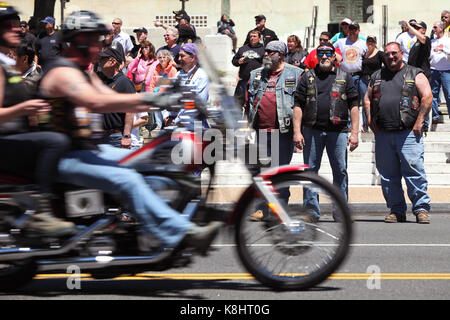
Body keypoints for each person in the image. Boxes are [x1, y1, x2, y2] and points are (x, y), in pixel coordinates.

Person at [38, 10, 222, 251]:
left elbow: (110, 96)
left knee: (146, 161)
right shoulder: (62, 72)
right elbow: (98, 102)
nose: (99, 48)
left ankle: (136, 230)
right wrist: (154, 100)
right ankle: (181, 232)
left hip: (89, 149)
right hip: (67, 157)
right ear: (79, 40)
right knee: (128, 180)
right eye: (94, 41)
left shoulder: (86, 72)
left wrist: (158, 100)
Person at [0, 3, 75, 236]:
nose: (16, 29)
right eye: (8, 25)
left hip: (15, 138)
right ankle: (42, 212)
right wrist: (24, 107)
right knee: (56, 141)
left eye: (16, 24)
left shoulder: (7, 64)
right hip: (5, 143)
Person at [363, 42, 433, 224]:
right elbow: (367, 99)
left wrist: (420, 122)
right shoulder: (378, 75)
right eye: (387, 54)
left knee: (414, 171)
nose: (391, 57)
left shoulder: (415, 73)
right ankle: (396, 210)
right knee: (387, 175)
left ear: (401, 53)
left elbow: (428, 96)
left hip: (408, 132)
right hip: (384, 133)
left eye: (394, 53)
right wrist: (370, 120)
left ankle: (421, 209)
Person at [293, 42, 359, 222]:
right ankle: (311, 211)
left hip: (337, 132)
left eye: (327, 53)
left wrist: (354, 133)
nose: (324, 57)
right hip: (312, 131)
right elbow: (298, 104)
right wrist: (297, 132)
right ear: (316, 56)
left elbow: (354, 105)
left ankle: (340, 212)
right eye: (320, 53)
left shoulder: (345, 76)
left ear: (334, 56)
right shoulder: (308, 77)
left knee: (340, 171)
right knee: (310, 171)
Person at [244, 40, 303, 221]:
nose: (266, 55)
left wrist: (297, 131)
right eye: (266, 52)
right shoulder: (255, 74)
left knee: (280, 173)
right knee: (260, 173)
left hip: (282, 133)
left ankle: (281, 208)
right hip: (259, 132)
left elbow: (301, 105)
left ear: (281, 55)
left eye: (270, 52)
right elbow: (248, 104)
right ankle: (262, 208)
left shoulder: (297, 74)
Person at [162, 43, 209, 128]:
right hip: (176, 125)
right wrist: (167, 116)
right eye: (179, 56)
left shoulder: (201, 76)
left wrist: (177, 119)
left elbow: (198, 104)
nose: (179, 59)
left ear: (192, 58)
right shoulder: (178, 75)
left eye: (182, 56)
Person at [98, 43, 135, 149]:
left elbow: (129, 111)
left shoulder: (124, 82)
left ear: (113, 62)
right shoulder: (104, 81)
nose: (100, 61)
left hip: (115, 137)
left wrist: (126, 136)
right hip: (102, 136)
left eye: (103, 59)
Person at [231, 30, 264, 107]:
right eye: (251, 36)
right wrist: (239, 61)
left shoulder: (264, 49)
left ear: (259, 38)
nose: (252, 38)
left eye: (254, 36)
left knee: (255, 101)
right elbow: (234, 61)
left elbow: (267, 64)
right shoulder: (243, 49)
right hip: (244, 80)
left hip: (257, 79)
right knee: (238, 102)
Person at [360, 35, 384, 132]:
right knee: (364, 102)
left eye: (372, 41)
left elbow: (387, 64)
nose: (370, 43)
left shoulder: (380, 53)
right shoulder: (364, 54)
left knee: (376, 101)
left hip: (375, 81)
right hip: (364, 80)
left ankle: (377, 122)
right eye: (368, 41)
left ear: (375, 43)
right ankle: (365, 125)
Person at [149, 50, 178, 129]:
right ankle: (159, 127)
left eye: (164, 57)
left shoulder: (172, 70)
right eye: (160, 57)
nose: (162, 59)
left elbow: (174, 86)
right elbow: (152, 84)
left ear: (168, 58)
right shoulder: (156, 69)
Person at [430, 21, 450, 123]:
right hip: (433, 70)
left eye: (435, 27)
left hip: (446, 70)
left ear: (441, 28)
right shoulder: (432, 41)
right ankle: (435, 116)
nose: (433, 29)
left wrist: (443, 50)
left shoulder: (447, 40)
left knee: (449, 94)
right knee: (433, 95)